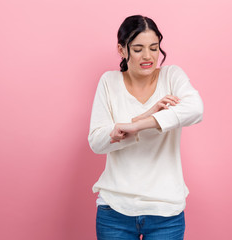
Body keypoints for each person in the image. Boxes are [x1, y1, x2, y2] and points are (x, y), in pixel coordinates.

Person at [88, 15, 203, 240]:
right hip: (115, 210)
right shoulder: (109, 82)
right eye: (138, 49)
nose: (148, 56)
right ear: (122, 50)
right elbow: (97, 143)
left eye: (154, 47)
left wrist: (141, 124)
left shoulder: (172, 76)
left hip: (166, 211)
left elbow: (195, 109)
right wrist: (143, 116)